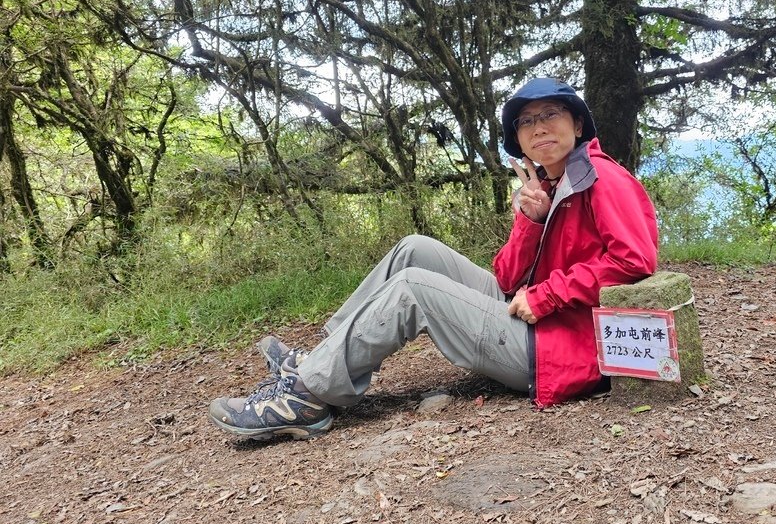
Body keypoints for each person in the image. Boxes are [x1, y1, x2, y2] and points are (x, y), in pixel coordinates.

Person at [208, 78, 658, 440]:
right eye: (527, 121)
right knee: (414, 248)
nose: (539, 127)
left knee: (414, 289)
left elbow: (635, 261)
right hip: (533, 316)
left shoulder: (603, 180)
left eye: (551, 114)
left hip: (558, 347)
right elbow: (505, 277)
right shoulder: (550, 185)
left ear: (578, 125)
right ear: (519, 138)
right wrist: (531, 220)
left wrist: (547, 295)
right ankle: (324, 356)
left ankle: (305, 396)